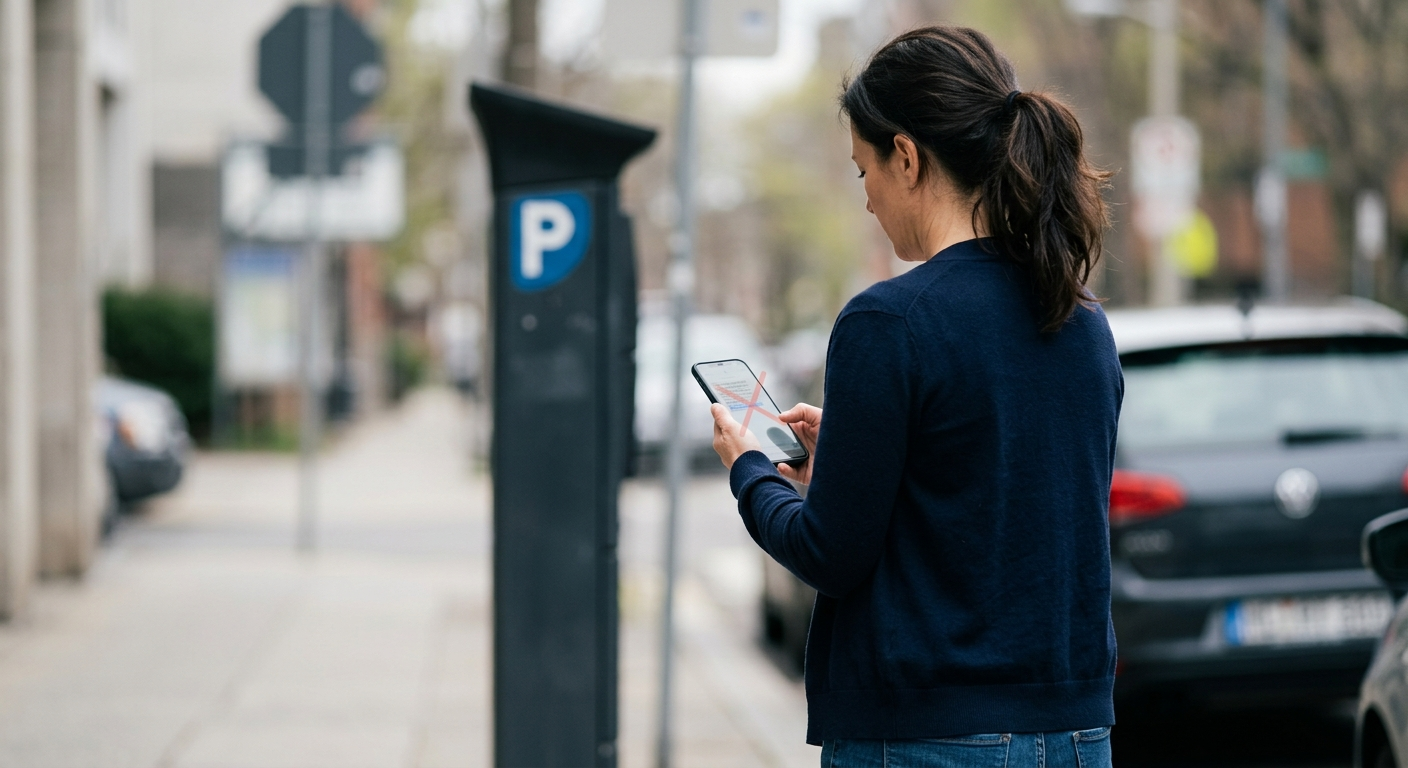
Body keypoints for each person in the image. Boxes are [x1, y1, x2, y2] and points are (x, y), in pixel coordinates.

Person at [709, 25, 1122, 768]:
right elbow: (992, 495)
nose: (865, 198)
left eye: (863, 169)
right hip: (1077, 733)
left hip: (928, 736)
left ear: (906, 157)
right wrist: (852, 452)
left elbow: (828, 554)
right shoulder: (1080, 317)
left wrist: (749, 471)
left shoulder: (889, 321)